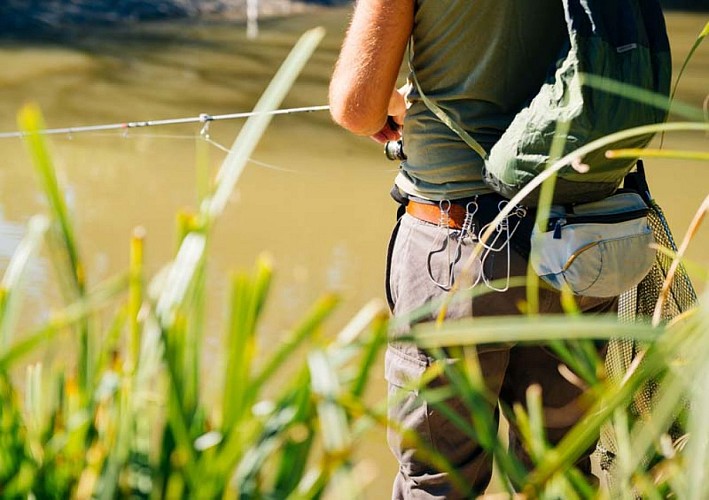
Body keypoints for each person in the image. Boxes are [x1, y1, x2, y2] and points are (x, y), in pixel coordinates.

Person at [329, 1, 617, 498]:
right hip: (589, 240)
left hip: (460, 250)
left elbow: (357, 108)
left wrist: (399, 103)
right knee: (560, 476)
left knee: (439, 482)